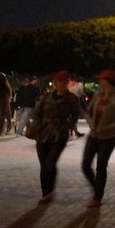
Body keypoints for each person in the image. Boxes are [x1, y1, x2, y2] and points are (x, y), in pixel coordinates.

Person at [31, 71, 81, 204]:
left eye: (65, 82)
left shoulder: (72, 99)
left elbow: (75, 115)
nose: (62, 84)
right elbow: (36, 113)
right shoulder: (46, 97)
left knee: (50, 163)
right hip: (43, 134)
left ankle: (50, 191)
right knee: (43, 165)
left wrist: (68, 126)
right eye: (60, 81)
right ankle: (45, 193)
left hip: (59, 134)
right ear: (55, 83)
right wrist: (37, 125)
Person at [82, 70, 115, 208]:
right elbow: (88, 111)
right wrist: (90, 123)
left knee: (101, 166)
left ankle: (97, 197)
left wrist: (108, 127)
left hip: (108, 138)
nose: (100, 82)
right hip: (93, 135)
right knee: (85, 165)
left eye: (102, 80)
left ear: (109, 82)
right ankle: (97, 187)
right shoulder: (98, 95)